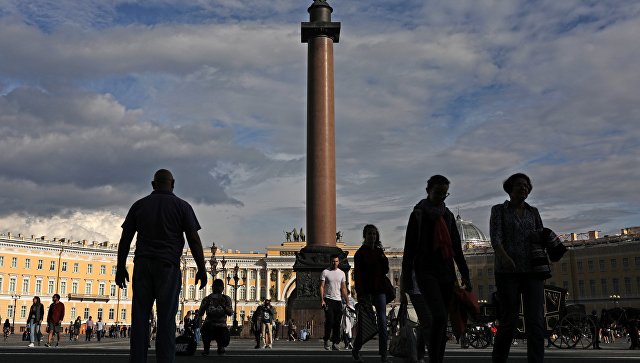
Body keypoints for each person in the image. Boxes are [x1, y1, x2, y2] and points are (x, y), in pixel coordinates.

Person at [115, 169, 207, 363]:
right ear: (172, 183)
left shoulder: (139, 205)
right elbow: (194, 240)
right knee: (166, 321)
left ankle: (138, 360)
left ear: (152, 184)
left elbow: (125, 240)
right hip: (167, 267)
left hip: (142, 266)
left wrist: (120, 267)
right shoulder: (182, 207)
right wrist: (202, 268)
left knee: (139, 319)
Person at [401, 175, 472, 363]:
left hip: (447, 273)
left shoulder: (447, 216)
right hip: (426, 272)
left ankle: (437, 357)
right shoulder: (418, 214)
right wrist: (406, 278)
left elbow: (456, 247)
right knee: (439, 316)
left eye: (444, 193)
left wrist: (465, 274)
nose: (441, 197)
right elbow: (409, 249)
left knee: (442, 319)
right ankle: (435, 358)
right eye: (437, 193)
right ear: (428, 191)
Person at [490, 173, 545, 363]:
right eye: (520, 185)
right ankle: (499, 360)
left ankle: (536, 361)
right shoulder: (499, 210)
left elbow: (540, 236)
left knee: (536, 321)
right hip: (507, 273)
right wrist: (505, 258)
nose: (524, 188)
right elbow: (495, 239)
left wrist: (547, 239)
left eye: (527, 186)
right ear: (510, 189)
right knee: (508, 322)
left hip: (533, 272)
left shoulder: (533, 212)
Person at [352, 225, 394, 362]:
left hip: (380, 289)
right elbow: (357, 275)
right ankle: (356, 349)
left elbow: (386, 269)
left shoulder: (379, 251)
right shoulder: (360, 254)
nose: (372, 236)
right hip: (366, 291)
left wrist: (383, 257)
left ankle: (384, 353)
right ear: (365, 236)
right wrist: (360, 293)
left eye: (374, 234)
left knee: (382, 320)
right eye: (370, 234)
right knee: (366, 323)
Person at [320, 254, 350, 351]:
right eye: (333, 261)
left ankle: (335, 343)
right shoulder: (325, 272)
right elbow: (321, 286)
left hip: (338, 301)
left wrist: (347, 301)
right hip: (328, 300)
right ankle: (326, 339)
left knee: (337, 323)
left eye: (336, 261)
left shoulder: (341, 273)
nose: (335, 263)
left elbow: (344, 288)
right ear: (330, 261)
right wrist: (322, 299)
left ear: (339, 262)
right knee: (330, 321)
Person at [198, 279, 233, 356]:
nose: (217, 291)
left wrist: (223, 305)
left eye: (219, 288)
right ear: (212, 288)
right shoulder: (207, 299)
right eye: (215, 288)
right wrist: (205, 304)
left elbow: (230, 313)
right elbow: (200, 313)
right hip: (209, 324)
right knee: (205, 329)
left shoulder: (226, 299)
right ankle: (206, 348)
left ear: (223, 289)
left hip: (221, 326)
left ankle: (221, 347)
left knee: (224, 337)